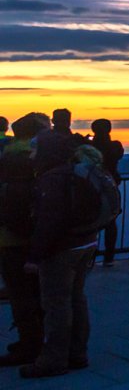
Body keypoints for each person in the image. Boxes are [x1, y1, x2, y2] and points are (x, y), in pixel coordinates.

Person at [19, 137, 101, 378]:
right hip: (86, 243)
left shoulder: (52, 179)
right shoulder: (76, 173)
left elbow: (49, 222)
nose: (32, 154)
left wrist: (34, 256)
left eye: (36, 149)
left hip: (62, 249)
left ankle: (53, 360)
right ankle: (77, 353)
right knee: (77, 299)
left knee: (56, 304)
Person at [0, 113, 50, 368]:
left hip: (11, 238)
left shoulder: (8, 157)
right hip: (38, 236)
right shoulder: (40, 161)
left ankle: (28, 345)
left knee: (21, 296)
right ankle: (37, 341)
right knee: (37, 294)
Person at [88, 119, 123, 266]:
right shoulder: (115, 146)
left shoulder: (89, 147)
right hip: (111, 187)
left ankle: (90, 257)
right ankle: (109, 257)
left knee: (90, 223)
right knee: (111, 222)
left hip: (90, 187)